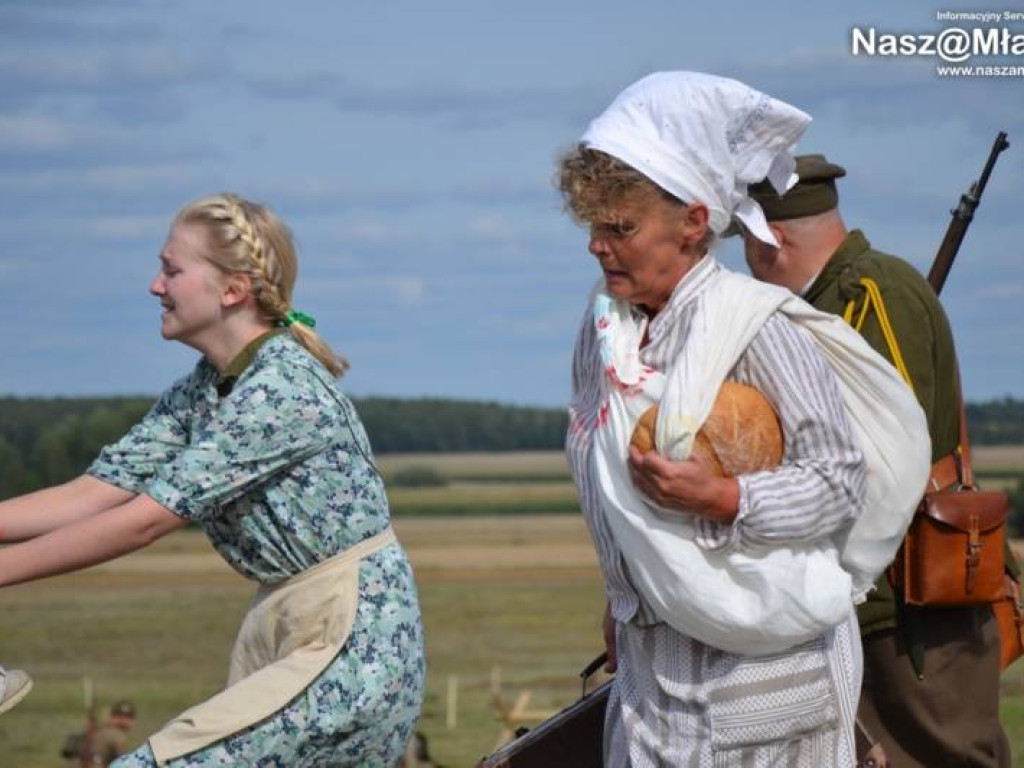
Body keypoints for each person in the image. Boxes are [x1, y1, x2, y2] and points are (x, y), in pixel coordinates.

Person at [558, 71, 930, 767]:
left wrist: (725, 497)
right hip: (655, 664)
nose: (598, 246)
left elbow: (839, 481)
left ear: (694, 222)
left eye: (621, 227)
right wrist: (625, 594)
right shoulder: (605, 332)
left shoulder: (753, 328)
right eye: (593, 226)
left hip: (769, 673)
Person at [0, 193, 425, 766]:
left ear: (232, 290)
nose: (155, 286)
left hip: (347, 647)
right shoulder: (205, 388)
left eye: (171, 270)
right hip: (291, 631)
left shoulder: (278, 391)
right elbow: (93, 494)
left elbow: (142, 522)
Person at [743, 154, 1015, 767]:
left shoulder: (872, 293)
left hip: (912, 592)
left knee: (942, 756)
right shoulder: (837, 300)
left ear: (770, 241)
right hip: (881, 598)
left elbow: (892, 449)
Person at [63, 699, 138, 767]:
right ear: (111, 717)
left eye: (127, 718)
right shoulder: (117, 736)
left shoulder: (95, 731)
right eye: (119, 717)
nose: (123, 721)